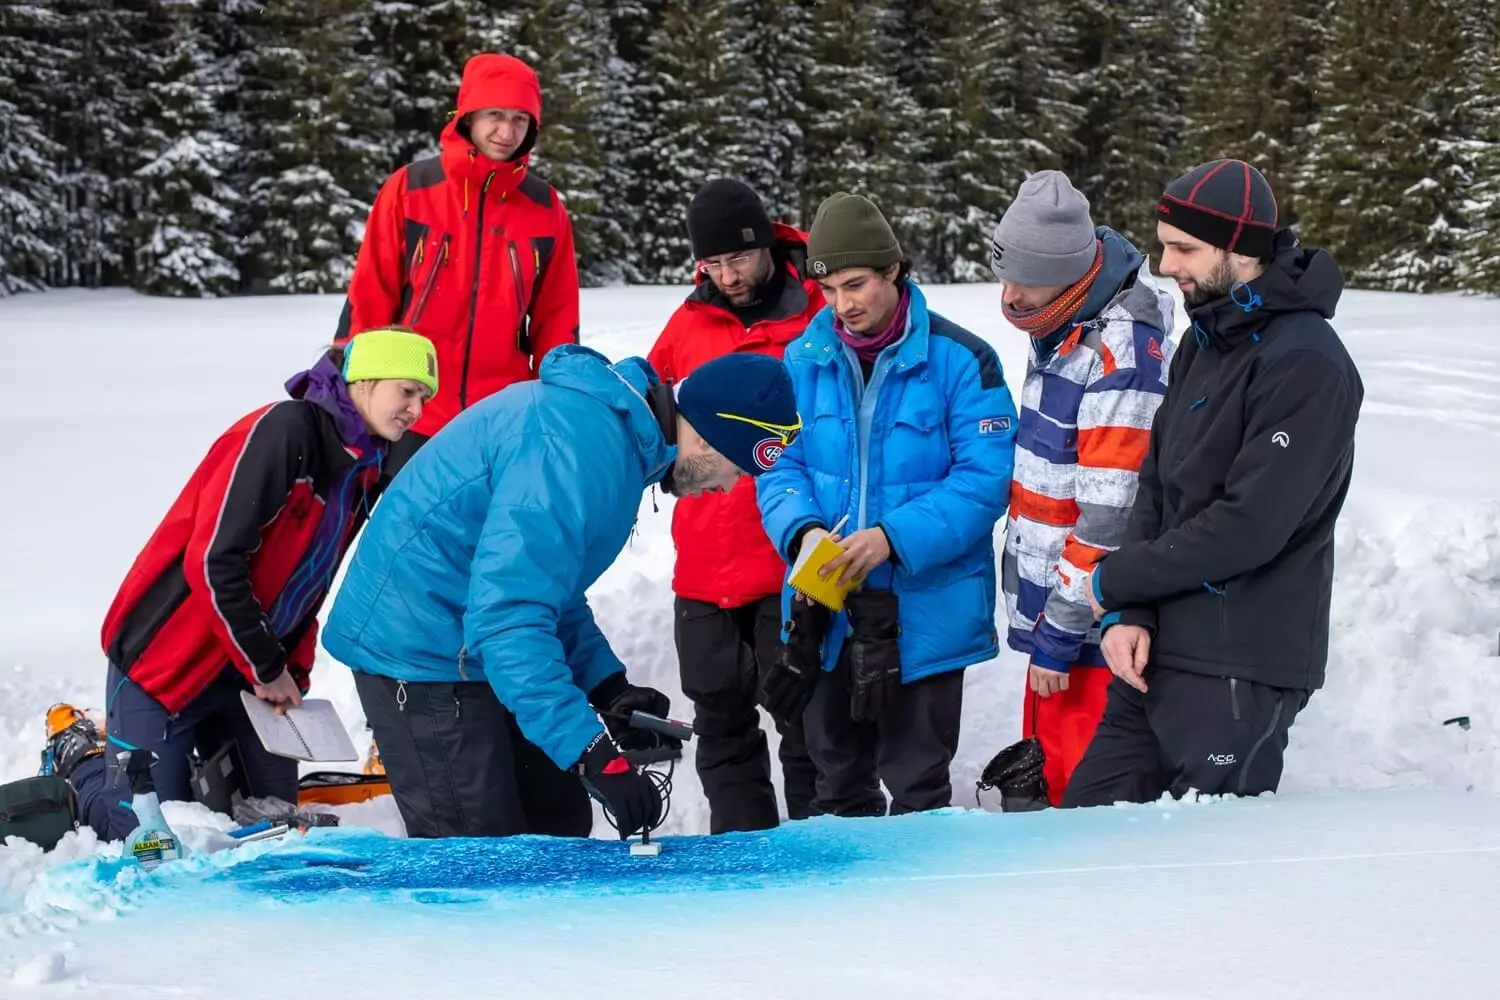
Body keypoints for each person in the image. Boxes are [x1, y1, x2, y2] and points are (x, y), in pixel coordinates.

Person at [320, 345, 802, 840]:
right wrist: (590, 752)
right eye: (738, 470)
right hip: (421, 648)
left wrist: (606, 686)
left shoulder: (616, 442)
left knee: (556, 824)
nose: (728, 489)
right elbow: (509, 616)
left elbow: (549, 585)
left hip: (472, 631)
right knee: (481, 852)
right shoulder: (577, 451)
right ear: (705, 438)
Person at [56, 329, 437, 840]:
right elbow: (214, 561)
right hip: (167, 659)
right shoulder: (286, 432)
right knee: (143, 832)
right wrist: (267, 665)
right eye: (407, 391)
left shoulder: (361, 468)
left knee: (273, 818)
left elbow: (309, 580)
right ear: (363, 382)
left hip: (245, 668)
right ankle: (81, 756)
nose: (415, 409)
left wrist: (288, 671)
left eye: (424, 398)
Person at [1068, 159, 1364, 806]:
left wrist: (1116, 579)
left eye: (1184, 249)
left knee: (1198, 882)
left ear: (1242, 251)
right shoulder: (1204, 338)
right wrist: (1131, 609)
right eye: (1164, 244)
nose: (1165, 264)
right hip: (1157, 653)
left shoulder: (1307, 363)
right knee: (1081, 841)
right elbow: (1158, 484)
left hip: (1238, 666)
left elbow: (1250, 524)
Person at [755, 192, 1018, 817]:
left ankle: (918, 913)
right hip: (829, 615)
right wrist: (801, 532)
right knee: (836, 783)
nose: (844, 305)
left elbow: (987, 480)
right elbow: (776, 465)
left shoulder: (964, 361)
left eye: (856, 284)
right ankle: (846, 914)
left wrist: (891, 538)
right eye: (828, 290)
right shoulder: (799, 361)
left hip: (923, 615)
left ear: (893, 271)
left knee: (918, 786)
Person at [988, 170, 1175, 807]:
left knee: (1077, 808)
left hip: (1089, 634)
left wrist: (1060, 633)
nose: (1009, 296)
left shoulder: (1118, 355)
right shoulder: (1062, 322)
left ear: (1069, 275)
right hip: (1058, 617)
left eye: (1024, 280)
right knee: (1045, 785)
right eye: (1003, 276)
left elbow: (1109, 517)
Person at [645, 178, 824, 834]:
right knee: (720, 725)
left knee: (805, 722)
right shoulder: (688, 324)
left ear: (768, 247)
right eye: (713, 264)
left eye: (739, 260)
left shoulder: (814, 315)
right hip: (703, 565)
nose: (728, 275)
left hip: (784, 560)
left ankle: (814, 852)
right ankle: (742, 857)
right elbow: (653, 415)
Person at [335, 52, 580, 477]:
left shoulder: (545, 208)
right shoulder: (410, 189)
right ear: (468, 115)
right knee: (398, 537)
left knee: (483, 539)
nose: (507, 132)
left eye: (520, 120)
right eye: (495, 115)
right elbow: (370, 299)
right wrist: (351, 399)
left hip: (500, 415)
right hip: (409, 414)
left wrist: (556, 406)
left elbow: (557, 321)